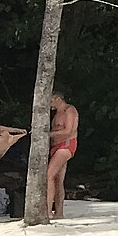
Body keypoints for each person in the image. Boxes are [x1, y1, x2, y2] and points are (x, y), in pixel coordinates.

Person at [46, 91, 79, 220]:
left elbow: (68, 130)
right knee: (58, 180)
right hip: (56, 147)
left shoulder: (69, 110)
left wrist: (48, 134)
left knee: (49, 175)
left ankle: (47, 211)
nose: (49, 104)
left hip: (66, 145)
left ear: (58, 98)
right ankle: (59, 213)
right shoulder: (57, 114)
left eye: (50, 101)